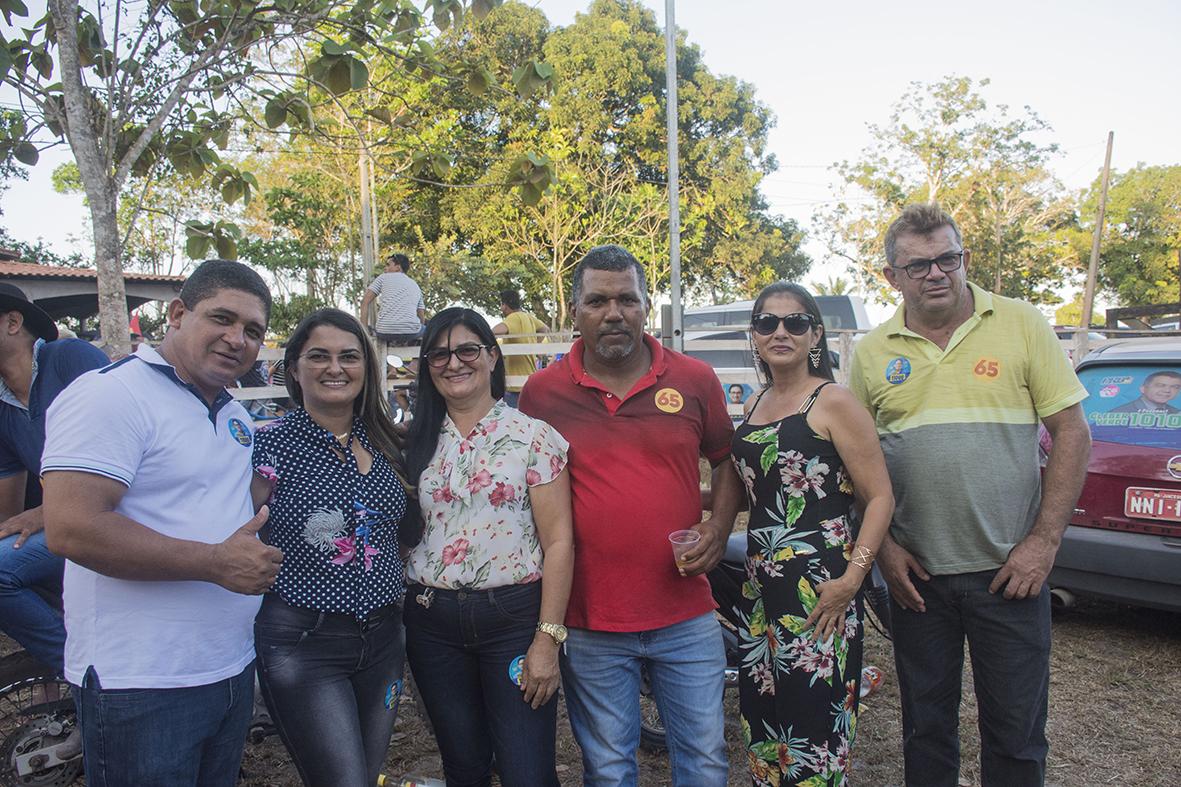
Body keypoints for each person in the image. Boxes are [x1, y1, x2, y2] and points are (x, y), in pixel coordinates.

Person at [848, 204, 1091, 786]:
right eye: (919, 265)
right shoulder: (873, 351)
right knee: (926, 731)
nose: (936, 274)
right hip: (917, 582)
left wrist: (1043, 543)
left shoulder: (1021, 322)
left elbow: (1073, 433)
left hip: (1011, 574)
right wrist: (883, 550)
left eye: (947, 259)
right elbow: (855, 463)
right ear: (892, 277)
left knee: (1015, 734)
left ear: (964, 259)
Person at [41, 259, 284, 787]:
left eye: (252, 331)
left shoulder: (236, 415)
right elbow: (72, 526)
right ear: (176, 314)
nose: (236, 339)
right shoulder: (110, 394)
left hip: (229, 668)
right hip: (141, 683)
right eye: (222, 319)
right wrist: (213, 562)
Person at [518, 244, 742, 786]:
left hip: (685, 614)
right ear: (574, 311)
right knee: (609, 768)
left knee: (705, 759)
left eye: (627, 299)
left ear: (647, 307)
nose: (613, 313)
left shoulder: (693, 378)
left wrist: (719, 526)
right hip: (590, 617)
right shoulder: (542, 393)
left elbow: (726, 461)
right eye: (597, 301)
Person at [732, 282, 894, 785]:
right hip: (761, 588)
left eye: (795, 322)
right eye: (767, 322)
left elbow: (881, 496)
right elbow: (753, 490)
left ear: (816, 334)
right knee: (763, 721)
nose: (780, 331)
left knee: (813, 728)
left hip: (820, 590)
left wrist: (853, 579)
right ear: (754, 335)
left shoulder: (833, 401)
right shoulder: (756, 403)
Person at [403, 307, 574, 787]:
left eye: (467, 350)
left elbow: (559, 541)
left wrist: (548, 638)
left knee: (527, 770)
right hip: (431, 620)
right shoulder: (412, 443)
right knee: (464, 766)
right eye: (439, 354)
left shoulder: (532, 437)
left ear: (493, 357)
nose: (453, 362)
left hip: (513, 620)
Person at [250, 308, 418, 787]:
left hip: (386, 639)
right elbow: (229, 527)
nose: (335, 367)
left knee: (365, 774)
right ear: (294, 369)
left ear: (366, 368)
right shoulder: (269, 447)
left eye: (349, 356)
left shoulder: (387, 442)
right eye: (318, 356)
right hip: (306, 643)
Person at [0, 283, 109, 676]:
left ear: (13, 322)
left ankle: (91, 675)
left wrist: (44, 512)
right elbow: (9, 515)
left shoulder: (68, 358)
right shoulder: (4, 407)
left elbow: (132, 445)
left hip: (120, 514)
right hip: (69, 523)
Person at [492, 289, 548, 407]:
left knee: (512, 422)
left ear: (505, 305)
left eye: (501, 305)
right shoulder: (528, 317)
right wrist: (535, 346)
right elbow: (545, 329)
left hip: (515, 387)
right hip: (529, 381)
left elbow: (495, 331)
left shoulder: (513, 318)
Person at [360, 252, 426, 345]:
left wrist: (364, 329)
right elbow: (421, 314)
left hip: (384, 332)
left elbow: (364, 302)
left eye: (388, 265)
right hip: (412, 332)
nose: (385, 268)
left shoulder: (383, 278)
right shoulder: (415, 284)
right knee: (427, 330)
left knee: (374, 328)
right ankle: (415, 359)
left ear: (398, 268)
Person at [1107, 370, 1181, 414]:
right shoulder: (1119, 413)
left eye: (1175, 387)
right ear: (1143, 389)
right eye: (1160, 385)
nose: (1167, 390)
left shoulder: (1177, 413)